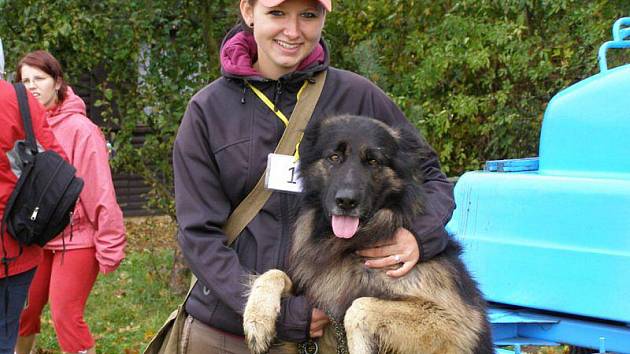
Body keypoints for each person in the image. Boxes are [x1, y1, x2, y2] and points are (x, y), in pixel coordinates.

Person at [172, 0, 455, 352]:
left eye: (308, 15)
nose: (293, 31)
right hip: (227, 332)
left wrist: (420, 237)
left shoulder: (358, 96)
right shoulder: (207, 111)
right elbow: (199, 233)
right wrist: (280, 312)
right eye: (277, 13)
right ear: (248, 11)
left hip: (330, 335)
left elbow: (430, 176)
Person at [14, 50, 127, 354]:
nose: (32, 86)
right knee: (22, 312)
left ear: (58, 81)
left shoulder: (81, 130)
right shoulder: (23, 126)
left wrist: (110, 242)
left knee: (65, 316)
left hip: (76, 239)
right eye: (25, 80)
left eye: (40, 78)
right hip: (36, 239)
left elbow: (99, 190)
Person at [0, 79, 64, 354]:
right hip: (16, 244)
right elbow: (56, 163)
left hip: (14, 250)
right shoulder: (18, 99)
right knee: (4, 336)